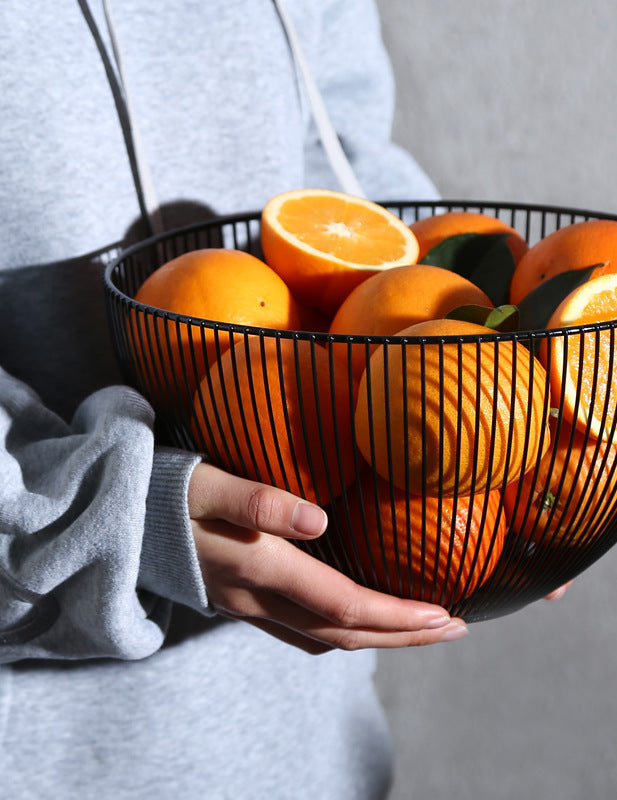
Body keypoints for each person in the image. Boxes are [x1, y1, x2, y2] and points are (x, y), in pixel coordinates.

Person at [0, 2, 566, 797]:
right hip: (57, 754)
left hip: (314, 749)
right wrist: (113, 517)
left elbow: (350, 185)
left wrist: (522, 395)